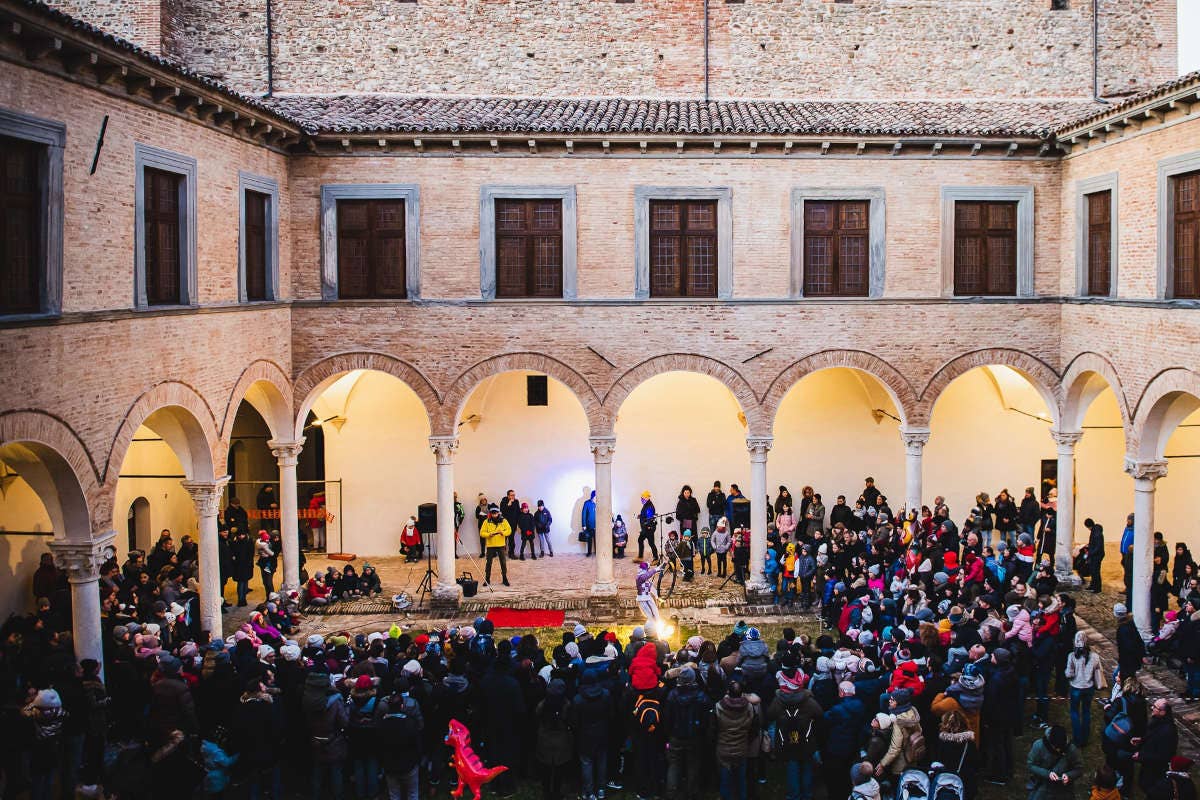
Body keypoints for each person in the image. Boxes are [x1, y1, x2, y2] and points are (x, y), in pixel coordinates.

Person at [377, 676, 424, 800]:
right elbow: (417, 740)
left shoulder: (382, 724)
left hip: (391, 764)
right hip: (408, 763)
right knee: (412, 793)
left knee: (394, 793)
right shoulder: (409, 724)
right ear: (401, 706)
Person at [715, 680, 759, 800]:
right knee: (741, 780)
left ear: (728, 692)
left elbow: (714, 728)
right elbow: (754, 728)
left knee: (725, 780)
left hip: (724, 748)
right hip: (742, 747)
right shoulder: (749, 707)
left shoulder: (718, 707)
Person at [1064, 631, 1104, 747]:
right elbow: (1098, 671)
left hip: (1076, 687)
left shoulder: (1071, 656)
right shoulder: (1095, 656)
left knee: (1074, 712)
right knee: (1086, 712)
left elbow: (1069, 674)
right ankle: (1085, 738)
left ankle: (1077, 739)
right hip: (1088, 687)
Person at [1133, 699, 1178, 796]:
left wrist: (1141, 756)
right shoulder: (1157, 722)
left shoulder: (1168, 732)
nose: (1152, 708)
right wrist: (1142, 740)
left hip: (1155, 772)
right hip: (1148, 767)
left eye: (1155, 707)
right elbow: (1152, 737)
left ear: (1163, 712)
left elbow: (1163, 756)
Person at [1027, 725, 1083, 800]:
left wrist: (1069, 776)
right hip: (1043, 787)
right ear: (1050, 741)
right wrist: (1047, 774)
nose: (1058, 750)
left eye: (1061, 748)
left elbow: (1079, 769)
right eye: (1056, 747)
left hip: (1064, 790)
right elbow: (1031, 765)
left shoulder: (1071, 749)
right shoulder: (1039, 746)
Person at [480, 504, 512, 587]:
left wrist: (503, 533)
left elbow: (509, 530)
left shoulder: (504, 521)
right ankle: (487, 579)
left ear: (498, 513)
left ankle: (505, 578)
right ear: (490, 513)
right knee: (489, 563)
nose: (494, 515)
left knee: (503, 563)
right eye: (493, 513)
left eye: (496, 513)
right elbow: (482, 533)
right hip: (490, 545)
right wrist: (489, 534)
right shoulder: (486, 521)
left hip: (501, 545)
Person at [1114, 603, 1145, 680]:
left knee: (1120, 678)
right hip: (1132, 660)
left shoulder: (1123, 629)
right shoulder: (1130, 624)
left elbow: (1128, 647)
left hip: (1128, 661)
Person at [1084, 518, 1105, 592]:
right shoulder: (1095, 531)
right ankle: (1093, 585)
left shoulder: (1096, 533)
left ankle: (1097, 588)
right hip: (1095, 554)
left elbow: (1098, 546)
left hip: (1097, 555)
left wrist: (1090, 553)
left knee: (1095, 571)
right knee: (1093, 571)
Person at [638, 491, 660, 561]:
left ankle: (656, 558)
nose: (642, 499)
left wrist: (647, 526)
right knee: (641, 540)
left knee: (651, 543)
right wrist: (641, 516)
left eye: (643, 498)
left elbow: (649, 518)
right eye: (641, 498)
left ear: (647, 498)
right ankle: (640, 557)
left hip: (648, 528)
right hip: (645, 528)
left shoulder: (649, 506)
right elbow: (646, 515)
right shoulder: (646, 505)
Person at [255, 530, 278, 596]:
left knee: (268, 582)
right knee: (266, 582)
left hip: (269, 564)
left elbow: (274, 554)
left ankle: (271, 598)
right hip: (265, 564)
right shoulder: (267, 543)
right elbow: (272, 554)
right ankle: (268, 597)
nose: (277, 539)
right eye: (275, 538)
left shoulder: (260, 542)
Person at [500, 489, 521, 558]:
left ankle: (511, 554)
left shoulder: (516, 501)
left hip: (513, 524)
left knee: (511, 539)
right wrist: (508, 504)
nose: (513, 496)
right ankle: (502, 553)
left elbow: (518, 513)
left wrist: (518, 524)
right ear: (508, 495)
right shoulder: (503, 501)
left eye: (514, 495)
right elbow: (502, 511)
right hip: (505, 524)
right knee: (503, 539)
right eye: (512, 495)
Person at [581, 490, 596, 557]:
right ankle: (589, 552)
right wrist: (584, 525)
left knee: (597, 539)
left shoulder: (597, 503)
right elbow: (583, 514)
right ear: (593, 496)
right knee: (589, 539)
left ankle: (597, 552)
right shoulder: (587, 503)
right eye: (596, 497)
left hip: (597, 525)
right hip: (589, 525)